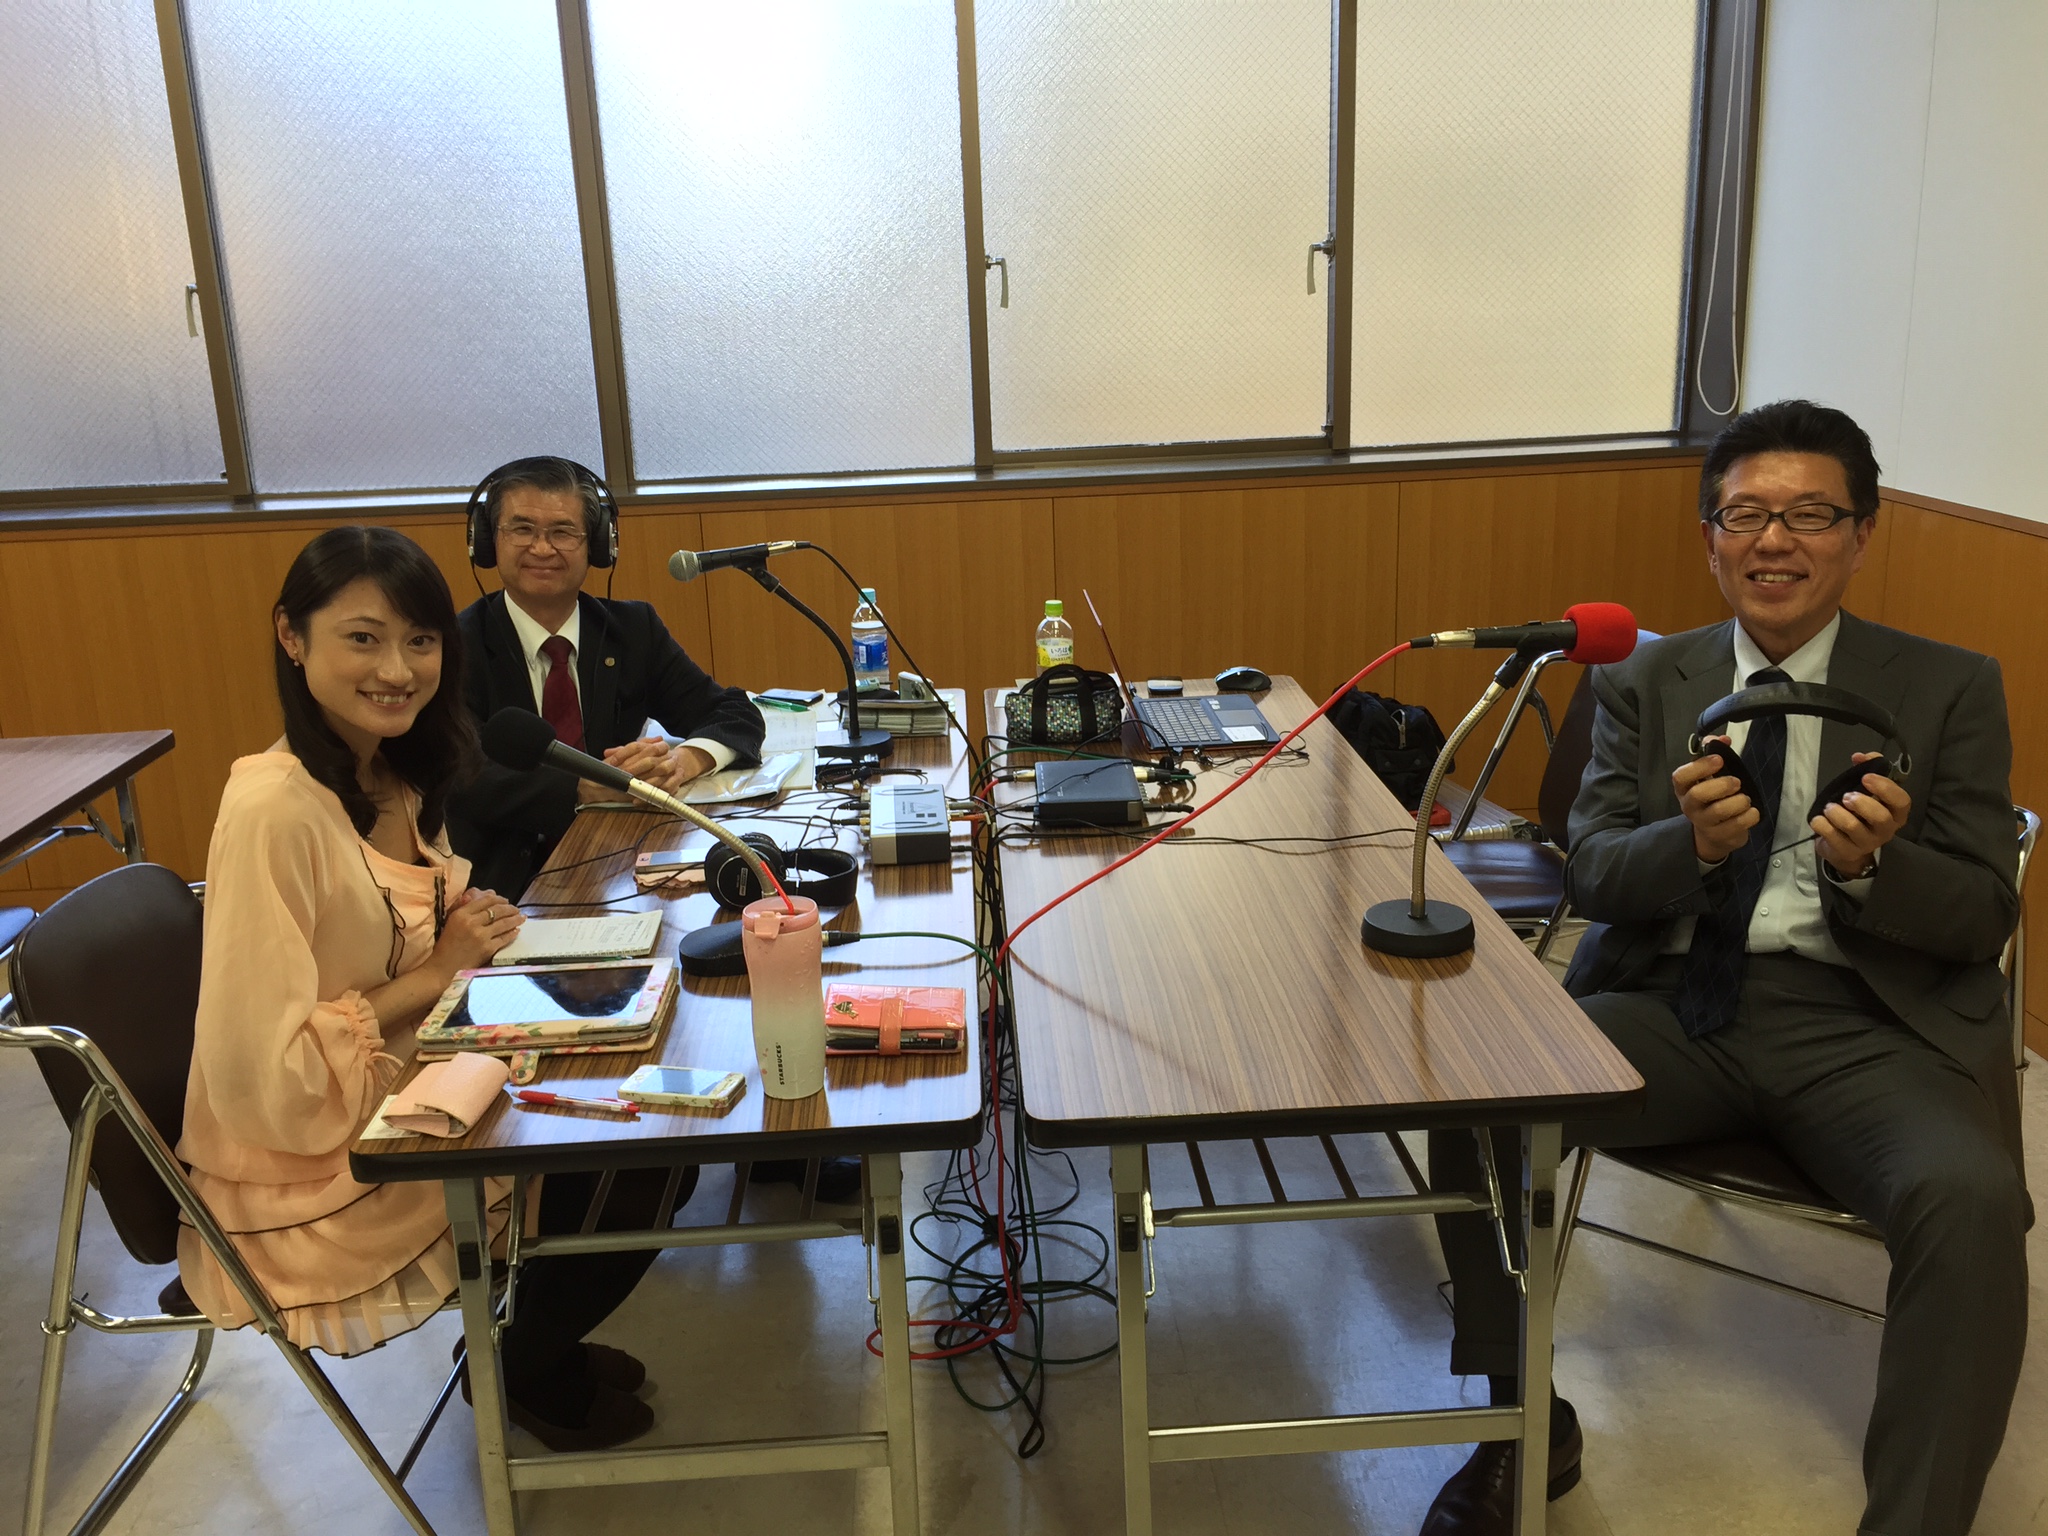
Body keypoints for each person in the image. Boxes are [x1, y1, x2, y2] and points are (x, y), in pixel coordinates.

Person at [1418, 400, 2026, 1536]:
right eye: (1744, 515)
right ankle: (1521, 1421)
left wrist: (1873, 870)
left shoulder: (1948, 685)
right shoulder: (1648, 679)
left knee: (1971, 1200)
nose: (1773, 541)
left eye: (1809, 514)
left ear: (1861, 533)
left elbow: (1985, 908)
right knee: (1480, 1096)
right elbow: (1596, 871)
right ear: (1709, 538)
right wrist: (1691, 847)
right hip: (1676, 1006)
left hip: (1867, 1029)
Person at [177, 525, 691, 1453]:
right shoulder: (271, 810)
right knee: (639, 1158)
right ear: (292, 636)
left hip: (425, 1066)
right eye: (362, 639)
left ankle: (533, 1341)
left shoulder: (391, 769)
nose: (397, 670)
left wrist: (471, 930)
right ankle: (519, 1363)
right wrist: (438, 969)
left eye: (419, 641)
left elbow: (413, 941)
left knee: (657, 1115)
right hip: (313, 1156)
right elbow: (265, 1070)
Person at [446, 456, 764, 898]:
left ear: (598, 545)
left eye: (562, 532)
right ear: (486, 541)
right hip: (498, 887)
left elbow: (734, 713)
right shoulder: (454, 646)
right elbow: (454, 772)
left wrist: (682, 762)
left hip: (622, 867)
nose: (542, 548)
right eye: (522, 529)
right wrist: (581, 788)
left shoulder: (632, 630)